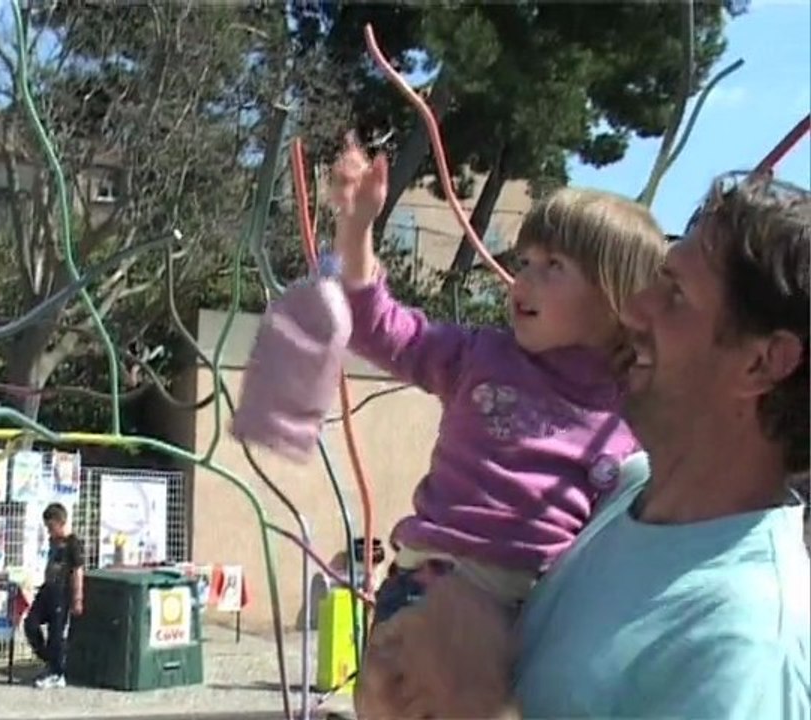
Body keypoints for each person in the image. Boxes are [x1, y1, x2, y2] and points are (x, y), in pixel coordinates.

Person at [355, 172, 810, 719]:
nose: (636, 308)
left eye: (675, 295)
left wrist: (477, 707)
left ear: (762, 363)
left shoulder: (746, 641)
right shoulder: (624, 493)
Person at [330, 135, 667, 718]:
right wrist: (356, 228)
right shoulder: (479, 357)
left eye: (552, 267)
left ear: (620, 300)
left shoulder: (634, 407)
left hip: (535, 612)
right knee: (398, 698)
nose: (522, 282)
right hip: (433, 582)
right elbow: (374, 327)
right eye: (524, 263)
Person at [24, 502, 85, 689]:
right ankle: (48, 658)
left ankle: (57, 672)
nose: (49, 531)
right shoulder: (53, 542)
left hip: (62, 592)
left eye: (51, 527)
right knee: (30, 623)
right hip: (47, 589)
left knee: (56, 633)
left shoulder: (73, 544)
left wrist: (77, 599)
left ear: (60, 522)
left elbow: (78, 571)